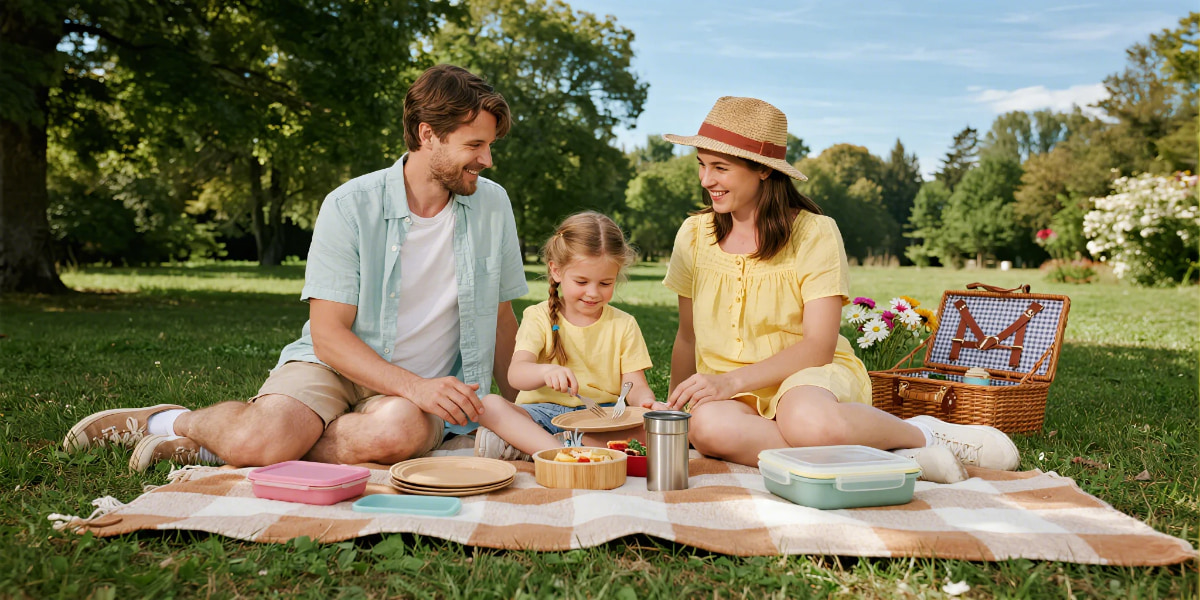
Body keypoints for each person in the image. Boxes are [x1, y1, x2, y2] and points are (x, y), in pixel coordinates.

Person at [62, 64, 528, 471]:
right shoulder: (350, 206)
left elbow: (502, 320)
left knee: (397, 433)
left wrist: (522, 417)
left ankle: (220, 450)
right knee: (257, 437)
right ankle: (169, 421)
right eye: (476, 145)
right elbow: (328, 336)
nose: (487, 160)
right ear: (428, 134)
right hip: (335, 366)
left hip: (410, 401)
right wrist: (417, 387)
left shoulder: (493, 205)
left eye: (489, 146)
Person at [659, 96, 1020, 483]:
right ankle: (897, 458)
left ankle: (925, 435)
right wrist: (672, 410)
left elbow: (818, 346)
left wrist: (730, 381)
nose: (705, 180)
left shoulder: (815, 232)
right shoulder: (694, 236)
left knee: (809, 424)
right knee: (707, 429)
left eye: (720, 168)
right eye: (701, 165)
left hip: (806, 376)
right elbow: (688, 335)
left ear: (763, 170)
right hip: (729, 391)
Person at [473, 212, 662, 460]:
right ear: (556, 271)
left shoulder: (624, 324)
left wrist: (648, 403)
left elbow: (635, 385)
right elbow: (516, 374)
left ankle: (540, 447)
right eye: (582, 281)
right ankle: (563, 450)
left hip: (600, 417)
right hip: (539, 413)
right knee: (489, 405)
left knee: (654, 429)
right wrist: (544, 372)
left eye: (605, 283)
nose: (593, 293)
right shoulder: (539, 316)